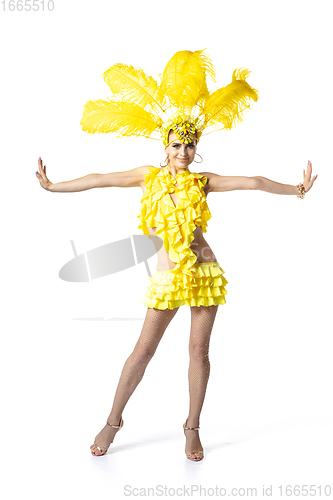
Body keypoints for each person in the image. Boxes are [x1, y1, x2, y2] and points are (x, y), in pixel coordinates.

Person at [35, 49, 318, 461]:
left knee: (198, 352)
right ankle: (113, 422)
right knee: (142, 352)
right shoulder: (145, 177)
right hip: (168, 278)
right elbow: (99, 179)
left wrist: (297, 189)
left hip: (204, 272)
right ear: (165, 146)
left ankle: (192, 427)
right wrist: (53, 186)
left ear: (196, 148)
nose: (183, 151)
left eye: (189, 145)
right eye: (177, 144)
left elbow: (253, 180)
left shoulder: (202, 182)